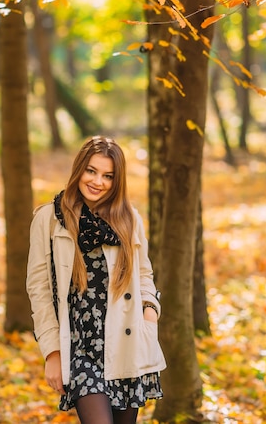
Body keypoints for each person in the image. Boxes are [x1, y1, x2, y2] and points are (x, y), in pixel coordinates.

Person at [26, 136, 166, 424]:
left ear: (117, 181)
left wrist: (150, 310)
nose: (97, 182)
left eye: (108, 176)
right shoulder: (49, 219)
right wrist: (52, 351)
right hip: (80, 348)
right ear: (79, 169)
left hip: (124, 344)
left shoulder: (129, 219)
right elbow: (38, 289)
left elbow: (144, 274)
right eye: (91, 171)